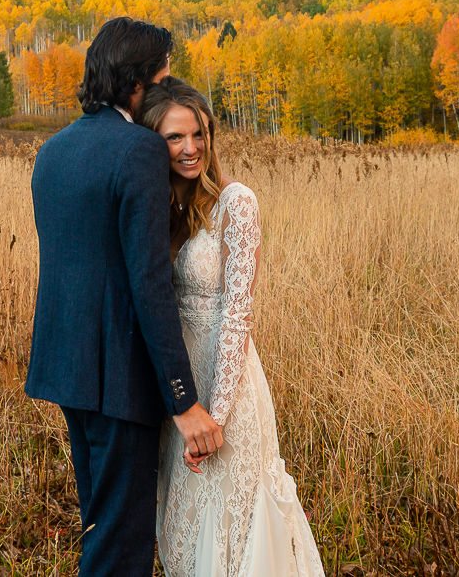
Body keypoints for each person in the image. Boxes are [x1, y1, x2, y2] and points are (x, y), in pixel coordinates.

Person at [26, 18, 224, 577]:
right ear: (136, 82)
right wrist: (183, 401)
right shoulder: (138, 150)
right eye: (162, 79)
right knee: (122, 547)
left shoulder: (53, 150)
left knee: (99, 526)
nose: (166, 89)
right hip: (118, 379)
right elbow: (148, 284)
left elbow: (79, 267)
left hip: (67, 371)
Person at [138, 77, 325, 577]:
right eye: (175, 137)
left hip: (227, 390)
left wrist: (214, 416)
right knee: (182, 528)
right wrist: (181, 408)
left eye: (198, 134)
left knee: (234, 526)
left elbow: (237, 314)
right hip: (177, 393)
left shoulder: (234, 202)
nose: (190, 148)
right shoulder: (159, 211)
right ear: (153, 142)